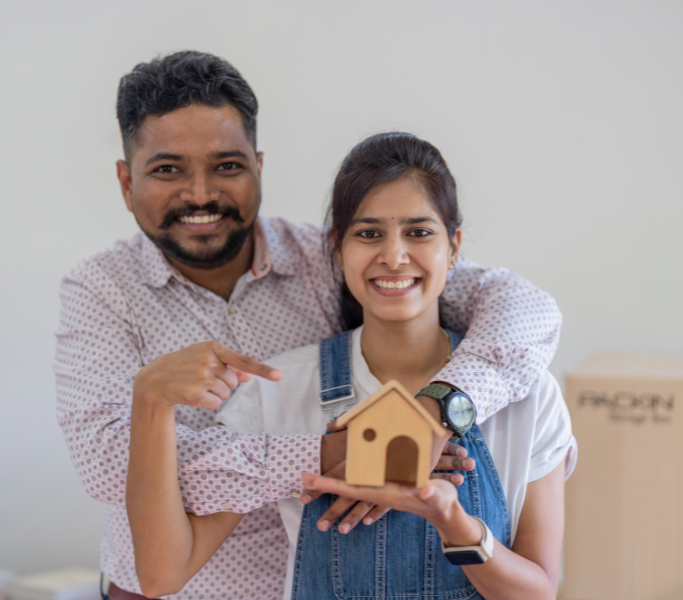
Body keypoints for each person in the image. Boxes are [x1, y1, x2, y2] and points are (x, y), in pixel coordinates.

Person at [55, 51, 562, 600]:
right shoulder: (102, 293)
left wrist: (435, 412)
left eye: (226, 165)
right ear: (126, 181)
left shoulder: (324, 261)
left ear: (258, 167)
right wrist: (331, 455)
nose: (200, 194)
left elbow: (517, 307)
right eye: (167, 169)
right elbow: (111, 469)